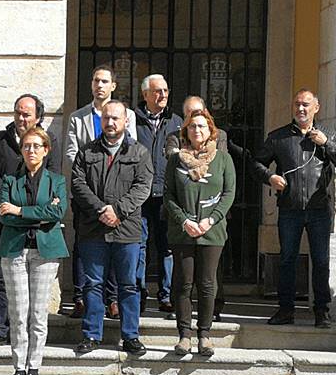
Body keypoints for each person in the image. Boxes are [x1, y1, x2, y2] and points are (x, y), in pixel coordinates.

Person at [252, 89, 336, 328]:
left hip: (319, 209)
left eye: (306, 104)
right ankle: (285, 309)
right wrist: (270, 177)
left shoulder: (328, 134)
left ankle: (321, 311)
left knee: (321, 260)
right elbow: (256, 163)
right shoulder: (279, 137)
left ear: (316, 107)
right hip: (290, 207)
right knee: (287, 259)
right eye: (297, 104)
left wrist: (326, 144)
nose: (301, 109)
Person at [71, 100, 153, 355]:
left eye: (115, 118)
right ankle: (91, 335)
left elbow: (143, 187)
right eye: (106, 118)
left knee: (129, 284)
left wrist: (118, 210)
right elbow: (77, 184)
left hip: (126, 230)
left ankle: (130, 336)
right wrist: (100, 210)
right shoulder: (87, 152)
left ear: (126, 121)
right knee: (93, 283)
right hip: (93, 229)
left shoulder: (139, 153)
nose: (110, 123)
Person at [0, 94, 61, 349]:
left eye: (26, 114)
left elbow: (54, 183)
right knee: (1, 278)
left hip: (39, 230)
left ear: (38, 117)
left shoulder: (48, 143)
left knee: (34, 289)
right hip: (6, 222)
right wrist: (8, 194)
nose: (20, 118)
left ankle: (28, 334)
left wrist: (22, 208)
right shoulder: (0, 140)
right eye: (17, 112)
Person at [63, 65, 137, 319]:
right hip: (87, 194)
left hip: (118, 197)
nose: (100, 85)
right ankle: (81, 297)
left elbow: (133, 151)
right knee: (85, 248)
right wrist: (89, 190)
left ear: (113, 86)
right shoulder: (78, 117)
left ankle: (113, 299)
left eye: (105, 81)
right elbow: (72, 154)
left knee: (117, 246)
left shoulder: (128, 116)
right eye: (96, 80)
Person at [0, 127, 68, 375]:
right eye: (27, 146)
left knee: (38, 313)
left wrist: (19, 210)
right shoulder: (9, 180)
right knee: (17, 313)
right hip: (15, 250)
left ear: (46, 149)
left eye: (37, 146)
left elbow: (57, 214)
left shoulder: (57, 181)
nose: (31, 151)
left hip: (46, 252)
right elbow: (3, 215)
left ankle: (34, 365)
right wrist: (35, 212)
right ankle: (18, 365)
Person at [164, 109, 235, 356]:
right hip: (183, 231)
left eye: (202, 127)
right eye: (193, 126)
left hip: (211, 233)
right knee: (183, 284)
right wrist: (184, 221)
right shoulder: (175, 160)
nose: (197, 131)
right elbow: (169, 195)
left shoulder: (223, 159)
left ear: (211, 131)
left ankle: (204, 334)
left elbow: (228, 194)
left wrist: (211, 220)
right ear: (186, 131)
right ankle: (184, 335)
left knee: (207, 284)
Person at [134, 74, 182, 314]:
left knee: (167, 247)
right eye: (157, 91)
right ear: (145, 95)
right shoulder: (134, 120)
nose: (163, 95)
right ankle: (139, 294)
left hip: (166, 193)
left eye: (165, 90)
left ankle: (166, 296)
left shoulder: (176, 122)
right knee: (140, 245)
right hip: (140, 193)